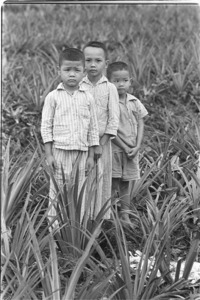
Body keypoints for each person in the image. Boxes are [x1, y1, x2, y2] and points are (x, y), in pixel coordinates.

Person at [41, 48, 99, 224]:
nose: (72, 75)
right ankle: (55, 234)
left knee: (80, 193)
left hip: (81, 154)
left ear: (84, 72)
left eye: (77, 70)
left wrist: (91, 156)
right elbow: (46, 126)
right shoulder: (53, 97)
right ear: (59, 71)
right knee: (57, 193)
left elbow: (93, 128)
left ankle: (77, 231)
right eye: (67, 70)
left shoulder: (88, 98)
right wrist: (49, 155)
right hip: (60, 153)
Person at [80, 41, 119, 220]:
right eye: (88, 60)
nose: (93, 64)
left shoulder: (110, 88)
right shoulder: (79, 85)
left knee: (101, 179)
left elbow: (113, 119)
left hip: (102, 144)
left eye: (98, 60)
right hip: (81, 143)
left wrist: (101, 144)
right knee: (82, 178)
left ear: (106, 63)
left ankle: (99, 221)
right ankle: (81, 217)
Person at [107, 61, 148, 226]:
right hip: (116, 150)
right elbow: (109, 129)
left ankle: (125, 215)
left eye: (124, 80)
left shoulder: (134, 102)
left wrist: (137, 146)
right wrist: (125, 147)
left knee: (126, 184)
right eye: (116, 81)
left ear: (130, 81)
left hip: (132, 151)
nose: (121, 84)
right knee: (112, 183)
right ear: (108, 82)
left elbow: (141, 123)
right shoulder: (109, 103)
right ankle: (109, 216)